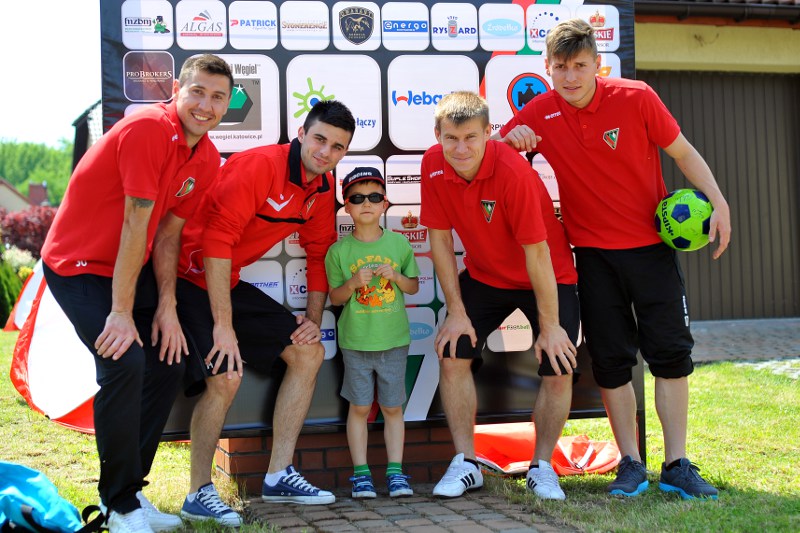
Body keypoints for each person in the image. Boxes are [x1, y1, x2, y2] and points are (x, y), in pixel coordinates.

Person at [497, 18, 731, 500]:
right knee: (611, 363)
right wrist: (511, 141)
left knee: (671, 357)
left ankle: (677, 464)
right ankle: (630, 463)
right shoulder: (539, 112)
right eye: (560, 67)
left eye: (580, 66)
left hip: (653, 251)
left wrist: (719, 201)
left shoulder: (637, 96)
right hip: (593, 258)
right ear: (548, 67)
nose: (570, 77)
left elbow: (683, 153)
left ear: (597, 64)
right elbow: (493, 155)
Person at [40, 55, 233, 533]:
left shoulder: (207, 158)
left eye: (218, 97)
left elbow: (167, 236)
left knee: (169, 359)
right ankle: (117, 504)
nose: (206, 105)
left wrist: (167, 308)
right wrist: (121, 312)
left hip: (129, 266)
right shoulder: (149, 129)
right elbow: (135, 222)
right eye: (197, 92)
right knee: (124, 361)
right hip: (78, 264)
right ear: (176, 90)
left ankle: (131, 492)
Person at [174, 100, 356, 525]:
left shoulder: (323, 186)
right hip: (185, 277)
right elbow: (216, 242)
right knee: (226, 376)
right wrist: (224, 326)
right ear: (301, 134)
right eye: (320, 139)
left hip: (226, 280)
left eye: (337, 147)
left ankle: (278, 475)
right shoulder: (258, 166)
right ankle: (198, 492)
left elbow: (319, 253)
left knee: (309, 352)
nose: (326, 152)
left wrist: (313, 321)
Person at [420, 91, 580, 500]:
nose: (460, 149)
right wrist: (456, 311)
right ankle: (466, 462)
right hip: (486, 276)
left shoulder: (513, 171)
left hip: (547, 274)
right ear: (438, 135)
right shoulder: (432, 164)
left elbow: (538, 255)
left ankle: (542, 467)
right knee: (453, 352)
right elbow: (440, 241)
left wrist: (550, 326)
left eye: (470, 138)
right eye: (451, 138)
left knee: (559, 363)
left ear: (488, 133)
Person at [325, 167, 421, 499]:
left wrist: (396, 276)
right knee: (360, 408)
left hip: (393, 341)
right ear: (347, 207)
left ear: (384, 204)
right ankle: (361, 475)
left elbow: (413, 286)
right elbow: (335, 298)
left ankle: (395, 473)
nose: (366, 203)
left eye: (374, 196)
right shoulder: (338, 252)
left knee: (393, 408)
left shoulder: (399, 243)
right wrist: (352, 283)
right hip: (356, 343)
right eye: (357, 198)